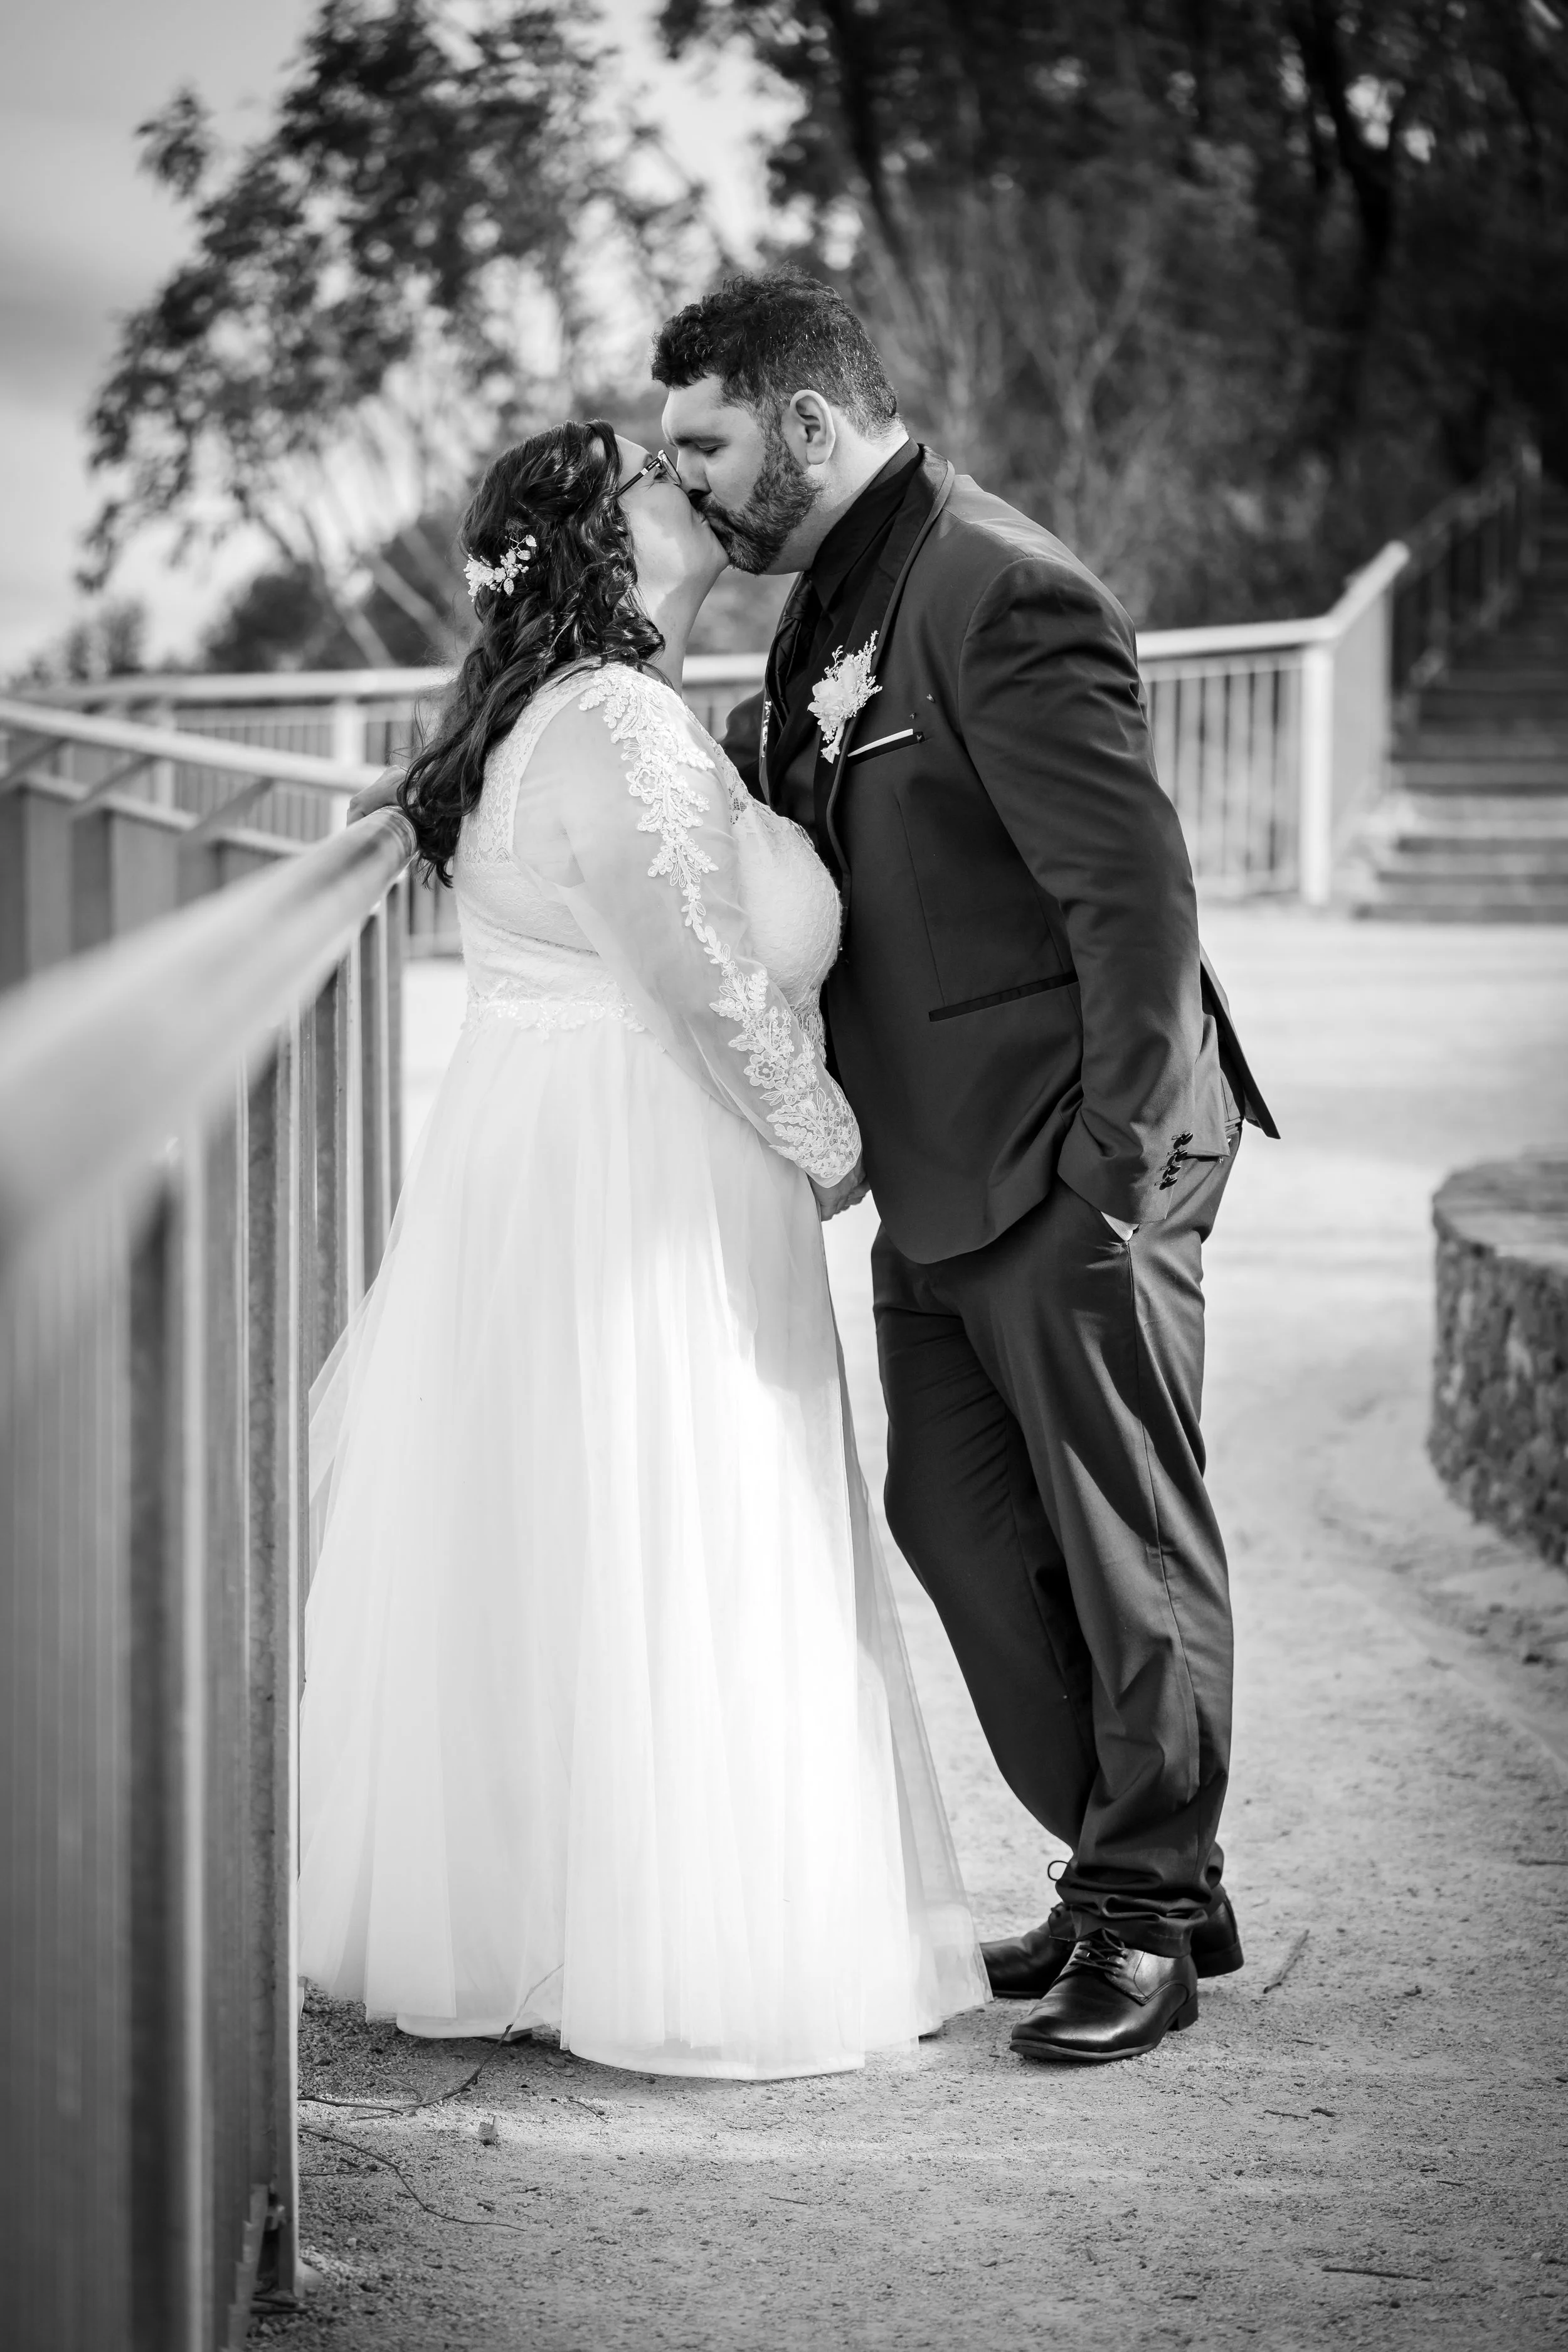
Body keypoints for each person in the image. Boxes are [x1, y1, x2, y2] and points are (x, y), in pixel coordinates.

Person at [303, 420, 988, 2079]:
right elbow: (694, 980)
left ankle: (556, 1913)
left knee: (588, 1519)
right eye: (648, 480)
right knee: (670, 1506)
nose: (687, 490)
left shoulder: (562, 712)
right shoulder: (610, 717)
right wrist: (830, 1142)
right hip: (642, 1158)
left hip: (571, 1137)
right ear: (598, 546)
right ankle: (664, 1936)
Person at [653, 271, 1278, 2065]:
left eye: (709, 441)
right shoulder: (822, 608)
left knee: (1121, 1539)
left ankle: (1146, 1909)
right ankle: (1138, 1860)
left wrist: (1117, 1162)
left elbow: (1132, 898)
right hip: (933, 1179)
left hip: (1070, 1162)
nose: (689, 478)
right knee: (951, 1517)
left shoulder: (999, 586)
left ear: (811, 420)